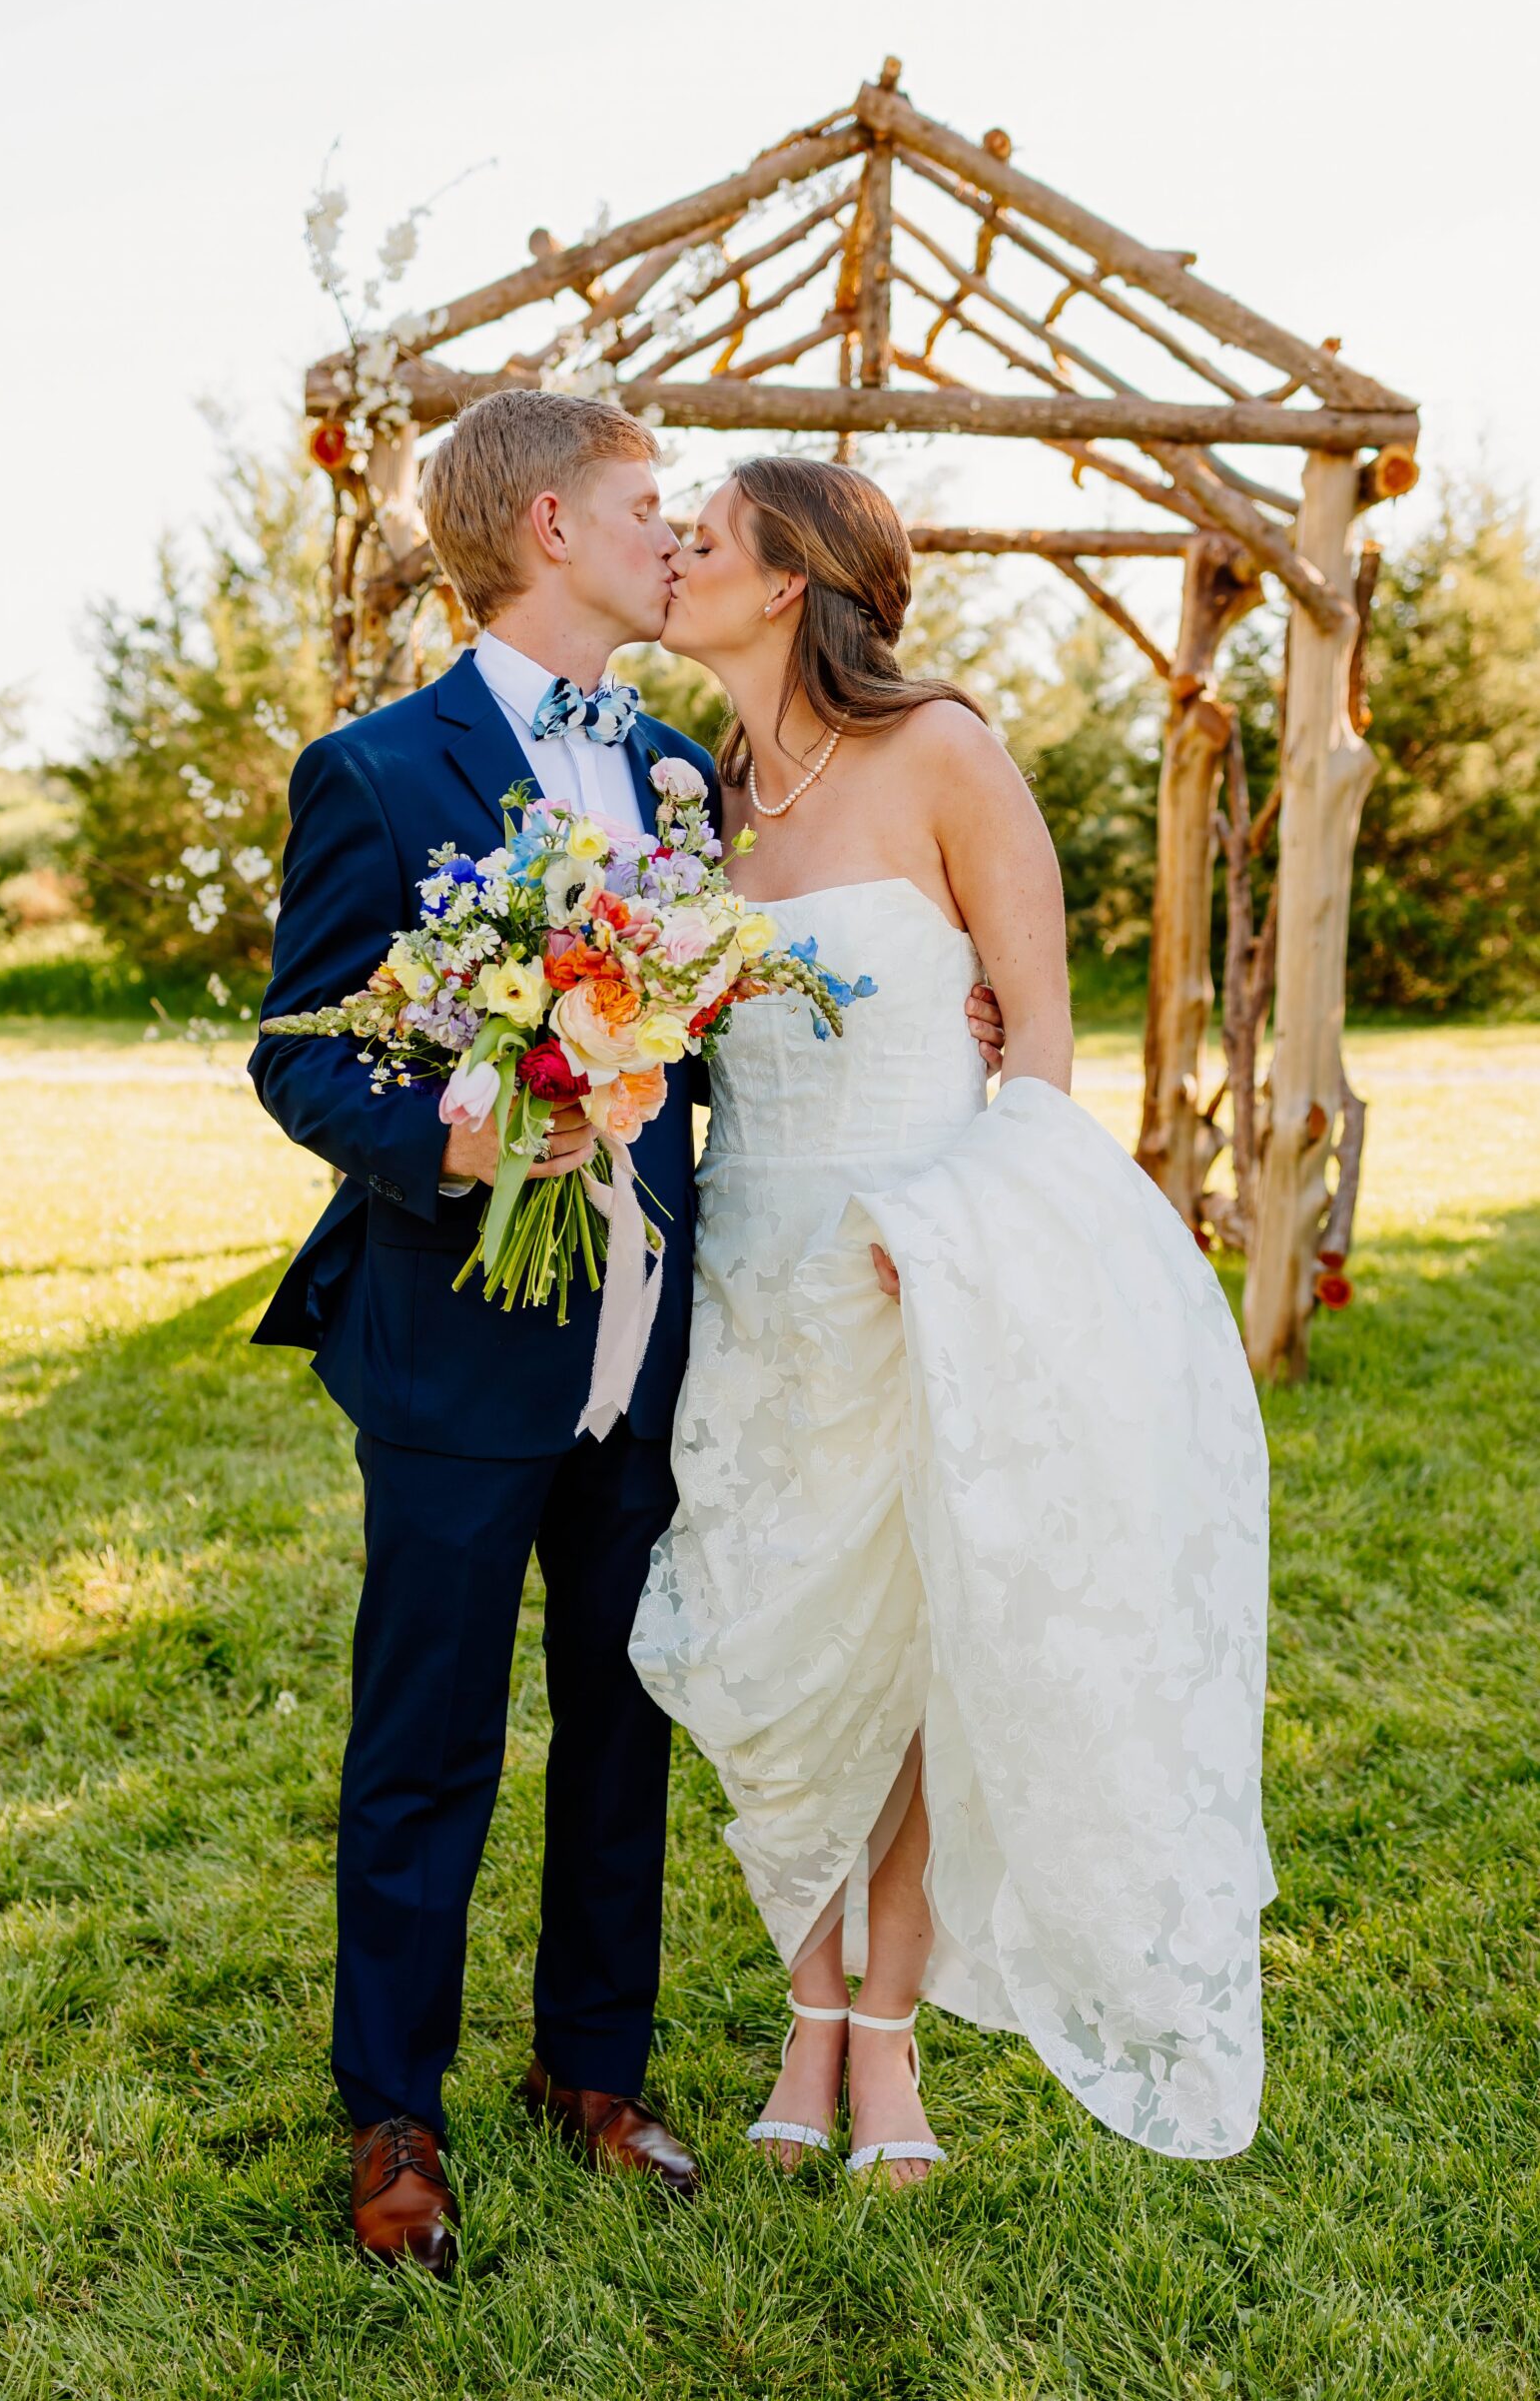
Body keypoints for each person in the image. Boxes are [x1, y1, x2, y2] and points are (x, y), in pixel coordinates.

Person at [250, 390, 1011, 2271]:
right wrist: (461, 1133)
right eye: (644, 503)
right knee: (425, 1742)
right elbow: (298, 1054)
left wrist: (951, 1025)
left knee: (624, 1723)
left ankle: (590, 2072)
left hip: (662, 1337)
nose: (672, 536)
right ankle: (394, 2116)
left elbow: (754, 1007)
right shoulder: (375, 771)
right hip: (454, 1346)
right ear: (551, 533)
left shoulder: (683, 774)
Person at [629, 456, 1273, 2185]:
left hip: (922, 1258)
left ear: (788, 581)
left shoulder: (944, 752)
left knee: (914, 1656)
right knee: (778, 1645)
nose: (674, 553)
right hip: (750, 1269)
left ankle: (880, 2030)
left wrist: (967, 1228)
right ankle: (805, 2003)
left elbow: (1042, 1038)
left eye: (705, 537)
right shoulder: (694, 797)